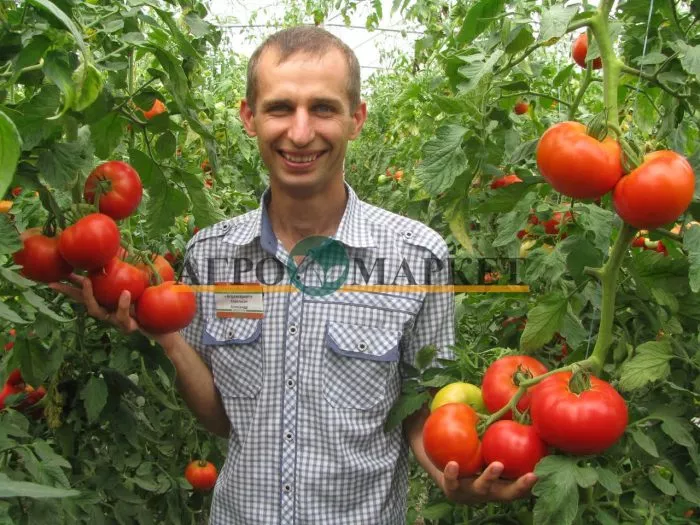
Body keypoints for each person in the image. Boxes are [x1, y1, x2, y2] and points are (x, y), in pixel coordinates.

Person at [53, 26, 536, 525]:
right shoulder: (211, 255)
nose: (300, 133)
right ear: (249, 117)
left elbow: (420, 406)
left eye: (323, 108)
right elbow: (220, 418)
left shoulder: (417, 256)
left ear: (356, 119)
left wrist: (448, 473)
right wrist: (166, 335)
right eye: (280, 108)